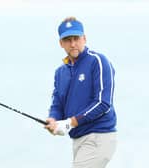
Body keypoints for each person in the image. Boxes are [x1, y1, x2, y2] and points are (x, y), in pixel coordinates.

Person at [45, 16, 117, 168]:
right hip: (78, 140)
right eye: (68, 40)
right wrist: (53, 120)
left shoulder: (98, 61)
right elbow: (57, 103)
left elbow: (103, 103)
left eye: (76, 38)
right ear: (61, 43)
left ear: (84, 38)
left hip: (99, 136)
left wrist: (70, 122)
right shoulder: (60, 72)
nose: (73, 44)